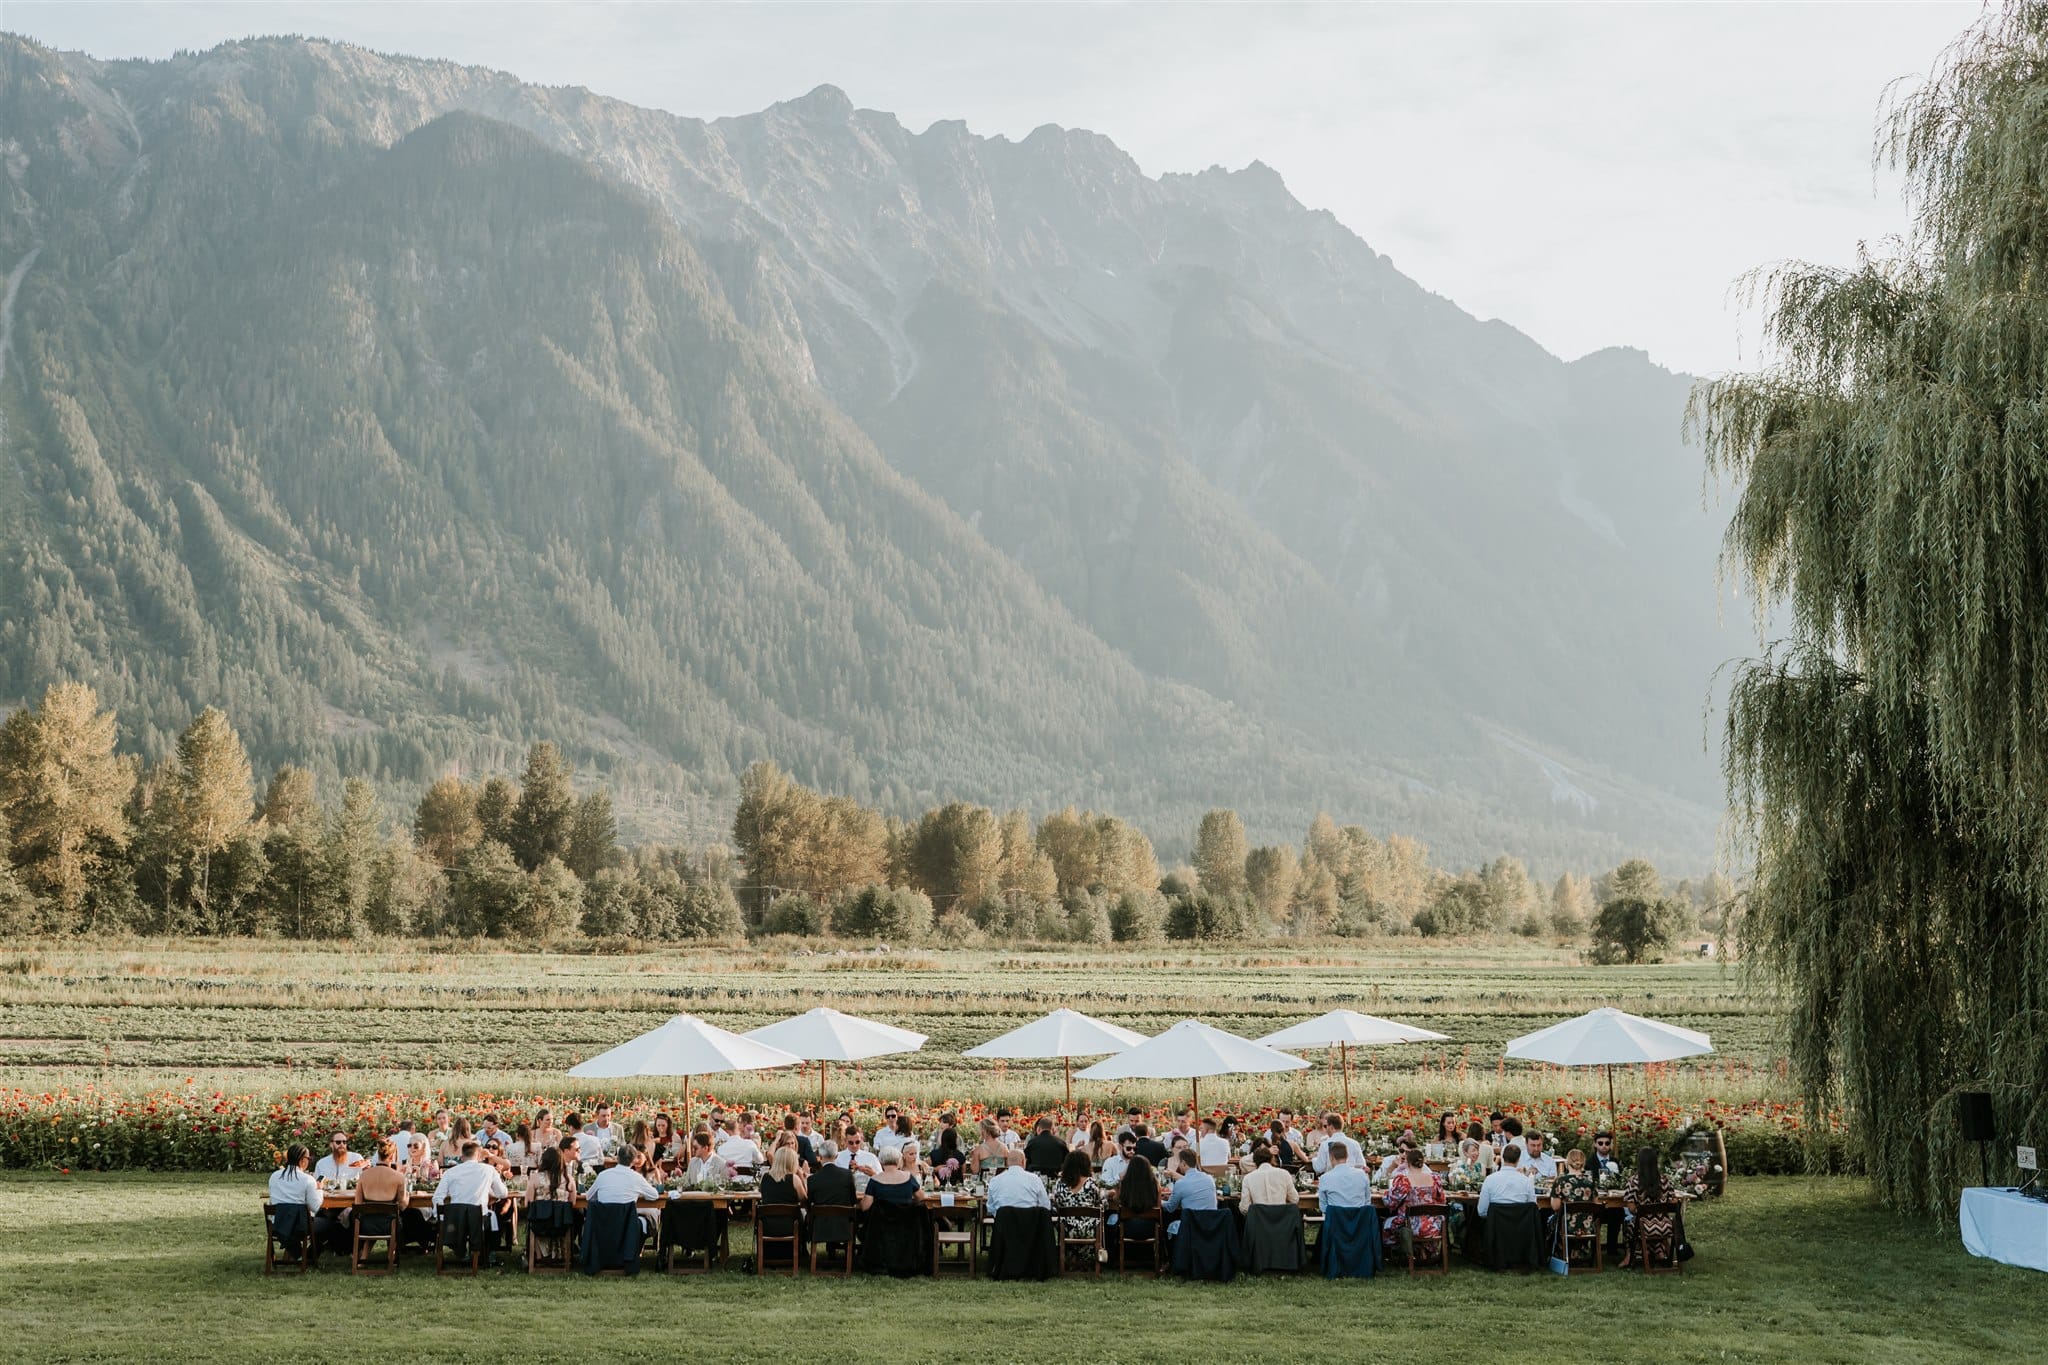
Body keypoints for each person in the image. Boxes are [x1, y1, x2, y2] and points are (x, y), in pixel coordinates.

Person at [434, 1141, 511, 1262]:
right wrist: (489, 1190)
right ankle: (487, 1251)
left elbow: (437, 1197)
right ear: (479, 1155)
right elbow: (503, 1193)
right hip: (478, 1219)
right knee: (492, 1217)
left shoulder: (450, 1172)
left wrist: (440, 1217)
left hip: (455, 1220)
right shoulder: (488, 1170)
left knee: (484, 1216)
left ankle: (461, 1251)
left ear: (462, 1157)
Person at [1619, 1144, 1678, 1269]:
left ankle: (1630, 1255)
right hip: (1666, 1226)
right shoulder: (1665, 1180)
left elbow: (1631, 1208)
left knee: (1629, 1224)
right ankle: (1658, 1251)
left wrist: (1642, 1211)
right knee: (1646, 1224)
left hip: (1644, 1227)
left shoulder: (1634, 1181)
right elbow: (1673, 1201)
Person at [1384, 1146, 1446, 1258]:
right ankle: (1421, 1249)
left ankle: (1400, 1254)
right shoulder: (1435, 1179)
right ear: (1423, 1162)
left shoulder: (1404, 1180)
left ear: (1407, 1163)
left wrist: (1385, 1194)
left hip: (1410, 1226)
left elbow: (1390, 1202)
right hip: (1433, 1225)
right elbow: (1442, 1201)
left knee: (1386, 1223)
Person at [587, 1146, 661, 1239]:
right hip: (627, 1226)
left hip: (603, 1224)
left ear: (617, 1158)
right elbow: (654, 1195)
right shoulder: (636, 1177)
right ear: (633, 1160)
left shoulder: (603, 1175)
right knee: (644, 1221)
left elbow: (589, 1197)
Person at [269, 1144, 328, 1260]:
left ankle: (298, 1253)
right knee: (331, 1225)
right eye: (309, 1158)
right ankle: (308, 1256)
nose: (309, 1161)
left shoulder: (274, 1176)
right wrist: (319, 1189)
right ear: (302, 1160)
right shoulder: (307, 1179)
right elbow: (315, 1207)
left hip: (277, 1223)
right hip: (299, 1226)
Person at [1051, 1149, 1103, 1254]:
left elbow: (1056, 1204)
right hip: (1088, 1230)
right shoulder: (1092, 1184)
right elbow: (1102, 1204)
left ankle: (1067, 1255)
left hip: (1066, 1230)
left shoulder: (1060, 1184)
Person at [1162, 1150, 1217, 1241]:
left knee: (1171, 1226)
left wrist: (1159, 1201)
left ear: (1183, 1163)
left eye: (1179, 1162)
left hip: (1192, 1227)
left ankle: (1172, 1250)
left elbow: (1170, 1207)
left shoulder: (1181, 1183)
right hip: (1212, 1226)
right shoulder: (1209, 1179)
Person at [1477, 1143, 1536, 1218]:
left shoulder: (1489, 1180)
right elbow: (1532, 1208)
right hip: (1519, 1223)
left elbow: (1482, 1211)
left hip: (1496, 1224)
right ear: (1518, 1159)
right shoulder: (1526, 1181)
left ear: (1502, 1157)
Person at [985, 1148, 1051, 1215]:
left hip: (1004, 1220)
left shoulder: (995, 1181)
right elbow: (1045, 1206)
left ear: (1007, 1162)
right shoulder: (1035, 1179)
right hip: (1029, 1220)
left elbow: (990, 1208)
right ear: (1023, 1162)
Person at [1315, 1140, 1371, 1210]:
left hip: (1336, 1216)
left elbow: (1323, 1207)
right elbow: (1367, 1202)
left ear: (1331, 1157)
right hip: (1359, 1216)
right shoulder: (1362, 1175)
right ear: (1347, 1156)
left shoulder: (1324, 1178)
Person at [1238, 1145, 1295, 1211]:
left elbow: (1244, 1208)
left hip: (1259, 1216)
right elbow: (1294, 1199)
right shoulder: (1284, 1174)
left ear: (1254, 1162)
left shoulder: (1248, 1178)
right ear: (1272, 1158)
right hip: (1282, 1216)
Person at [929, 1116, 967, 1183]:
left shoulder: (934, 1154)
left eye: (944, 1122)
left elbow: (926, 1169)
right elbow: (963, 1176)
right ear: (955, 1140)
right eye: (940, 1122)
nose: (941, 1124)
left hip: (937, 1185)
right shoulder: (960, 1156)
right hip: (954, 1186)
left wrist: (934, 1169)